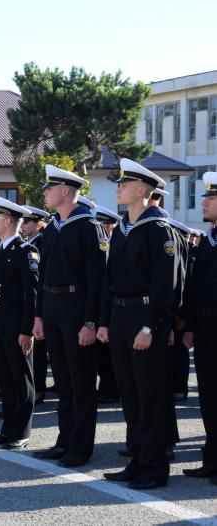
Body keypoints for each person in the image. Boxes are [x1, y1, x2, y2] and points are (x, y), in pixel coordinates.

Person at [98, 158, 176, 490]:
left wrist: (151, 327)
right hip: (120, 316)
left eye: (125, 184)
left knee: (150, 396)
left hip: (144, 317)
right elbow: (109, 280)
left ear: (142, 190)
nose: (119, 188)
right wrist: (105, 322)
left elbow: (165, 285)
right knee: (130, 395)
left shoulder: (159, 230)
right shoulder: (121, 230)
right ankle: (137, 459)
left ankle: (155, 467)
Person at [32, 165, 107, 468]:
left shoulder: (89, 226)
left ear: (65, 191)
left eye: (49, 188)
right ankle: (65, 440)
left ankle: (81, 446)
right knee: (63, 380)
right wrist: (39, 315)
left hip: (77, 307)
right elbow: (42, 276)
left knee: (81, 381)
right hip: (53, 305)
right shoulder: (52, 227)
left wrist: (90, 321)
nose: (45, 193)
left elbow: (98, 280)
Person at [0, 197, 38, 450]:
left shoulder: (26, 251)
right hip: (0, 326)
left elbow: (32, 295)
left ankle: (22, 431)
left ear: (7, 221)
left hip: (17, 328)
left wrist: (27, 331)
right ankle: (8, 429)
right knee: (6, 379)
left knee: (21, 379)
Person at [181, 170, 217, 485]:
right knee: (208, 396)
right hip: (206, 327)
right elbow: (194, 287)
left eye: (211, 197)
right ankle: (212, 460)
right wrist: (190, 326)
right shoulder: (207, 240)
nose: (204, 202)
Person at [93, 205, 123, 405]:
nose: (100, 227)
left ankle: (111, 389)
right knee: (101, 353)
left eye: (103, 224)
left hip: (113, 306)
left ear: (110, 226)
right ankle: (105, 387)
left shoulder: (112, 245)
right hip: (100, 306)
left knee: (109, 353)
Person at [20, 205, 50, 405]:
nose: (23, 225)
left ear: (38, 224)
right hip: (27, 305)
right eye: (22, 221)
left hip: (39, 304)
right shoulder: (26, 243)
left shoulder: (41, 243)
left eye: (28, 221)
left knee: (38, 351)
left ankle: (39, 388)